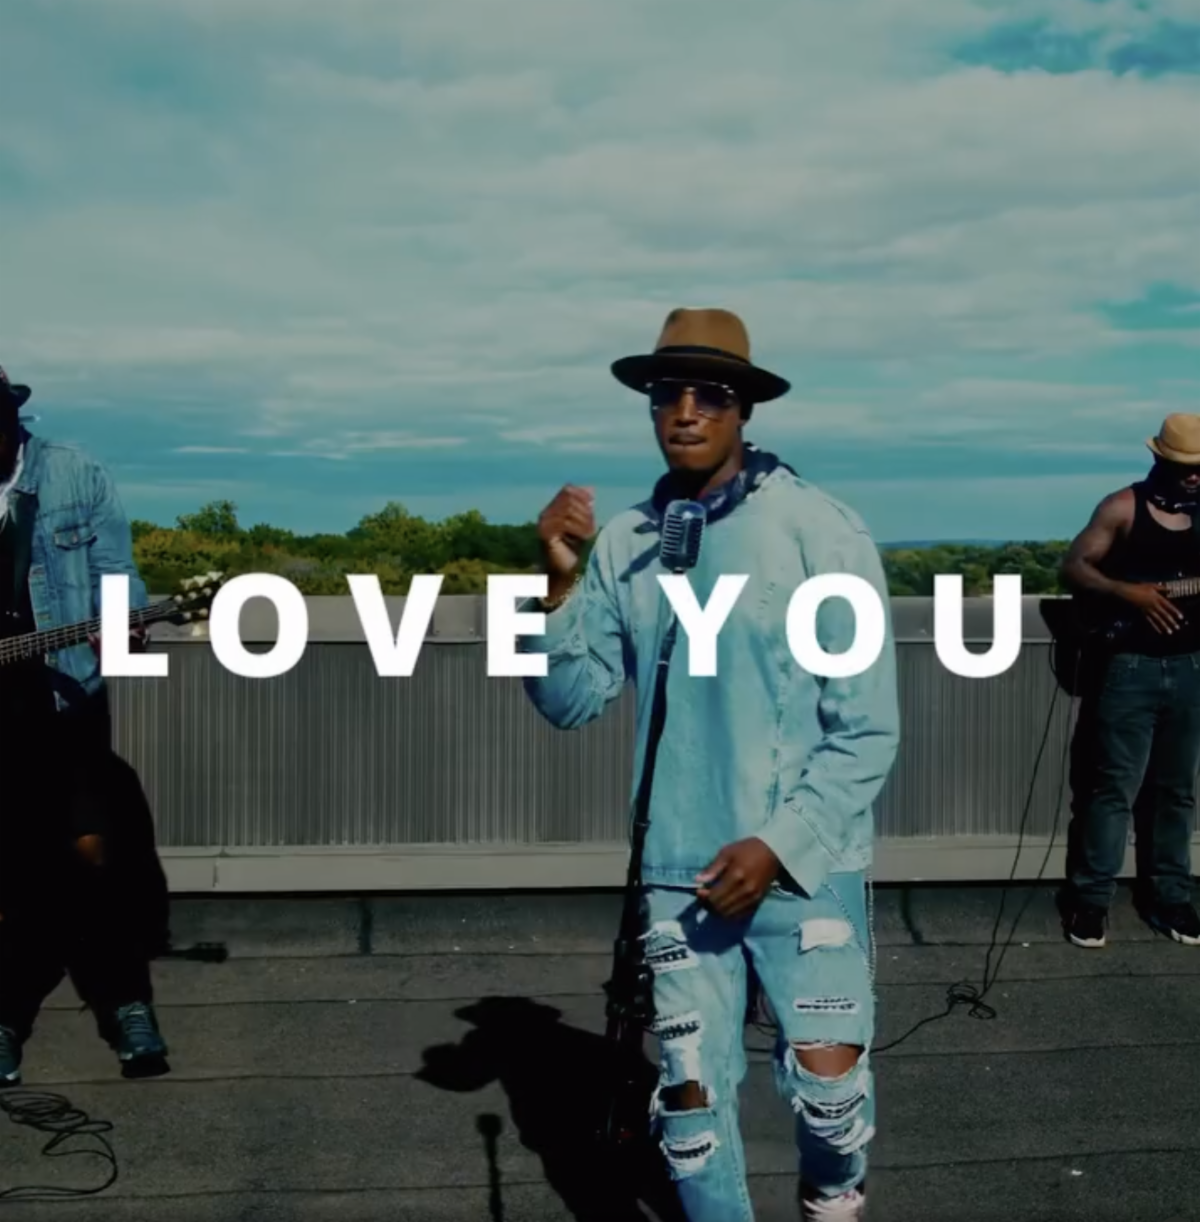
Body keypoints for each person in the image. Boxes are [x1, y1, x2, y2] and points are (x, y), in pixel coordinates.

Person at [517, 309, 900, 1221]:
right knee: (688, 1116)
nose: (685, 411)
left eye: (710, 395)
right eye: (667, 394)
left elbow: (867, 731)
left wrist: (776, 845)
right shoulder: (626, 542)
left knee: (831, 1098)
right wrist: (556, 583)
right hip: (678, 873)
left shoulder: (822, 531)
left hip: (806, 866)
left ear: (744, 410)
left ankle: (832, 1198)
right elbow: (569, 700)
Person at [0, 364, 170, 1086]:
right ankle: (6, 1018)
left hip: (66, 700)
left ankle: (128, 1003)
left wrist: (120, 626)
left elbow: (116, 575)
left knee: (97, 857)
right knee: (14, 870)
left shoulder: (74, 475)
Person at [1058, 413, 1200, 949]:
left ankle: (1172, 899)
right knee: (1111, 790)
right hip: (1128, 667)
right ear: (1159, 458)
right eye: (1185, 466)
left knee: (1176, 792)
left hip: (1191, 665)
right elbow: (1075, 567)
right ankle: (1090, 902)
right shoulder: (1122, 507)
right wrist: (1129, 593)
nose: (1194, 475)